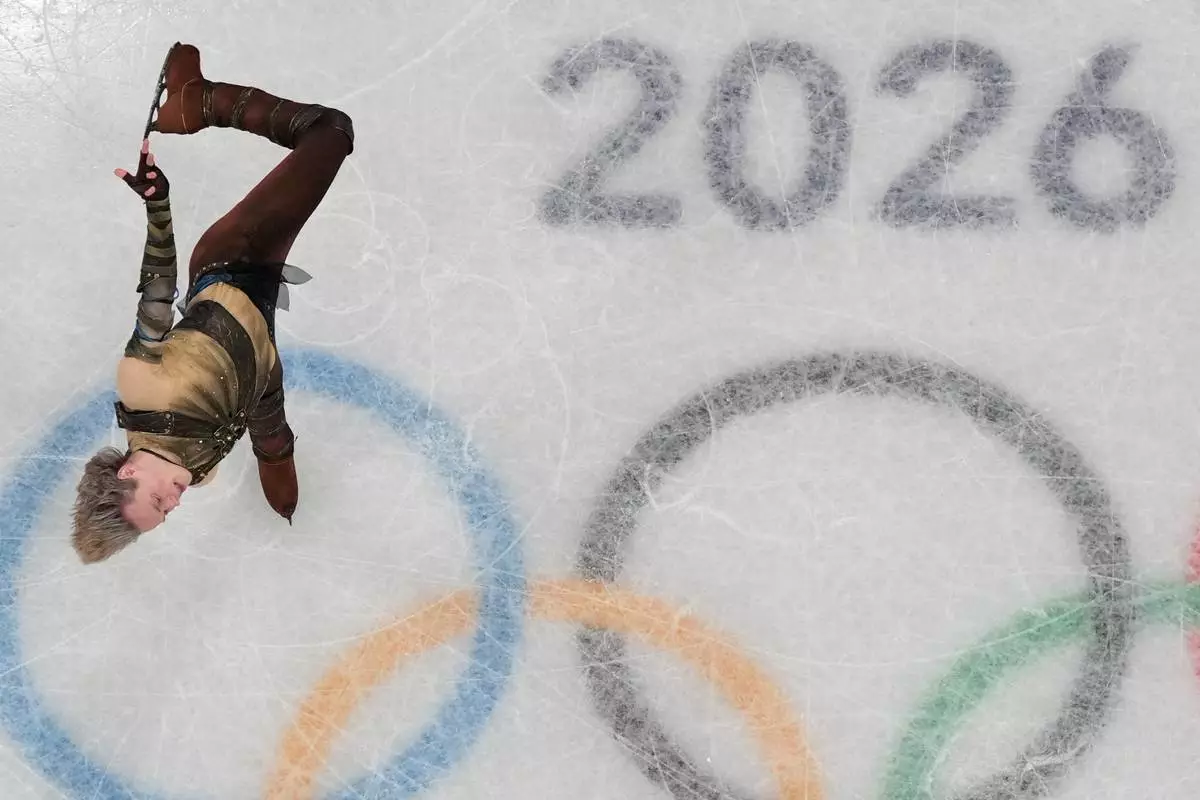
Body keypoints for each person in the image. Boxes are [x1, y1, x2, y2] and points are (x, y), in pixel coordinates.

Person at [71, 43, 355, 563]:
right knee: (270, 432)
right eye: (167, 512)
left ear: (128, 472)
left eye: (158, 500)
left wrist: (159, 206)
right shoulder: (194, 474)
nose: (175, 500)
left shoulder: (143, 383)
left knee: (330, 132)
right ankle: (277, 463)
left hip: (233, 262)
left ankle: (198, 100)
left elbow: (158, 287)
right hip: (260, 358)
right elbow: (240, 414)